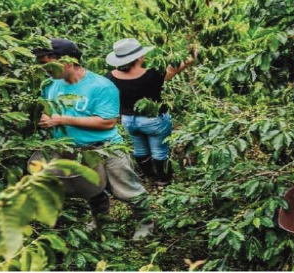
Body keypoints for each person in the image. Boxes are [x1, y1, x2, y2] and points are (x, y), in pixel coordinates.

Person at [32, 38, 154, 239]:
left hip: (106, 148)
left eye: (48, 64)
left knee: (126, 189)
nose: (45, 69)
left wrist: (62, 119)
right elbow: (47, 111)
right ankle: (100, 220)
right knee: (92, 189)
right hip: (74, 150)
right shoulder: (50, 85)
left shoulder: (101, 86)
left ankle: (146, 221)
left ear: (68, 62)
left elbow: (107, 122)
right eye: (42, 64)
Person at [105, 38, 194, 188]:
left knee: (140, 150)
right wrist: (192, 57)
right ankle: (163, 181)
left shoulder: (109, 77)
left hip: (128, 120)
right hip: (153, 120)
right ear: (138, 58)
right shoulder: (152, 74)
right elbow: (173, 70)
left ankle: (149, 177)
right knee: (159, 152)